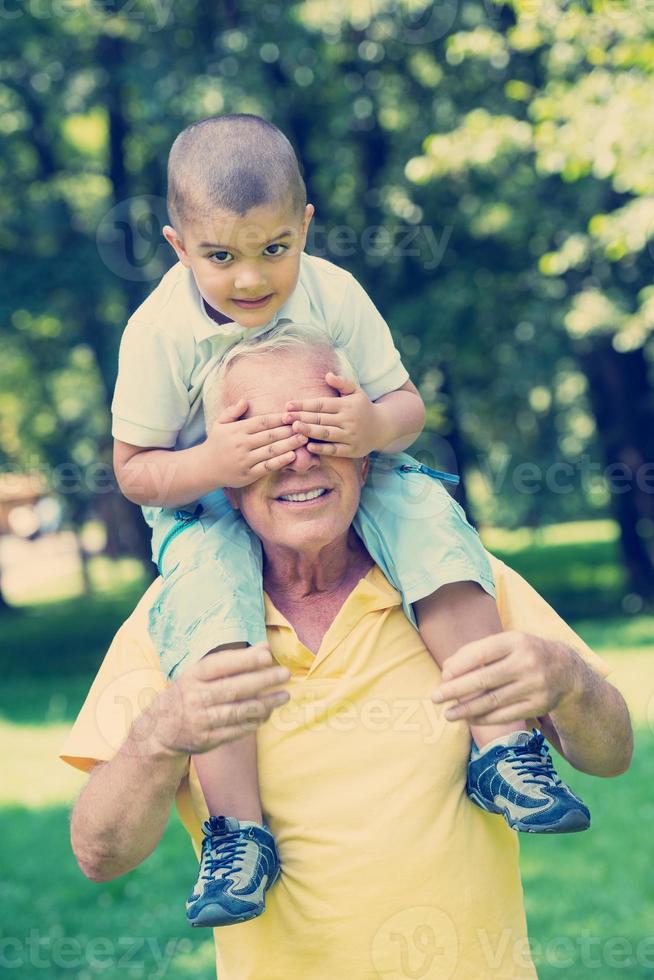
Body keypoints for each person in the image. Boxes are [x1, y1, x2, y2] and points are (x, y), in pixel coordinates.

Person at [111, 113, 589, 928]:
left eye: (274, 249)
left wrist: (372, 428)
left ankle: (504, 746)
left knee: (432, 519)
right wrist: (215, 468)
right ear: (177, 244)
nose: (252, 278)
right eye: (221, 256)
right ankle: (238, 834)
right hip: (210, 505)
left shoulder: (335, 293)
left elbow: (406, 404)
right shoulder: (160, 332)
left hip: (352, 469)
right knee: (213, 612)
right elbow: (134, 471)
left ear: (304, 226)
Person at [63, 337, 632, 980]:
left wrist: (568, 680)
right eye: (265, 442)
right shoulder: (176, 621)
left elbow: (611, 756)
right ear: (221, 474)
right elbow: (98, 855)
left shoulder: (459, 584)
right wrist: (158, 737)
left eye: (323, 432)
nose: (298, 462)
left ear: (366, 456)